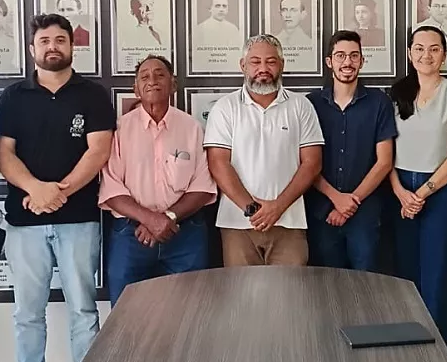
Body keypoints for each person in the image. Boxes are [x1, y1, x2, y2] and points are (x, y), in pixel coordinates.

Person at [0, 13, 115, 362]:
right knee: (28, 309)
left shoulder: (94, 95)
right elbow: (3, 154)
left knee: (82, 305)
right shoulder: (13, 97)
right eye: (44, 40)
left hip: (78, 216)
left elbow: (98, 151)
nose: (52, 47)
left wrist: (58, 191)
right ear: (32, 48)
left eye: (60, 40)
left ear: (71, 46)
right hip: (24, 218)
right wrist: (35, 189)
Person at [99, 56, 216, 306]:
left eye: (160, 75)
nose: (152, 81)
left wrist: (168, 218)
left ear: (173, 84)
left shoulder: (191, 128)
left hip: (185, 233)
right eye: (144, 76)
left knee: (189, 315)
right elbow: (111, 188)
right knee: (126, 318)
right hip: (131, 235)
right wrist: (150, 220)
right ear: (135, 88)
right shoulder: (119, 130)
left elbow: (202, 187)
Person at [204, 35, 324, 266]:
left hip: (289, 222)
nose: (263, 68)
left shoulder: (301, 106)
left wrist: (277, 207)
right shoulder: (225, 108)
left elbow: (312, 163)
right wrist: (252, 209)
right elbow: (218, 163)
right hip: (238, 224)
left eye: (270, 61)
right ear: (243, 66)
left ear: (282, 65)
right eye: (255, 62)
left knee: (288, 297)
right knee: (242, 296)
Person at [389, 26, 447, 349]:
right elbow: (386, 152)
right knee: (406, 281)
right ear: (409, 53)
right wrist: (400, 192)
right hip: (400, 195)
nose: (426, 55)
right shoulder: (397, 93)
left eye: (434, 49)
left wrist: (422, 193)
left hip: (440, 193)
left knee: (438, 284)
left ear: (444, 54)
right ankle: (410, 361)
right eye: (419, 48)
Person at [306, 31, 396, 270]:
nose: (348, 62)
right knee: (326, 286)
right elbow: (305, 162)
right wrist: (336, 200)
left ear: (362, 61)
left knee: (366, 286)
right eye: (341, 55)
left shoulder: (380, 103)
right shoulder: (310, 104)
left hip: (365, 213)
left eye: (354, 56)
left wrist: (350, 203)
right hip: (321, 211)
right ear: (329, 62)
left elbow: (384, 162)